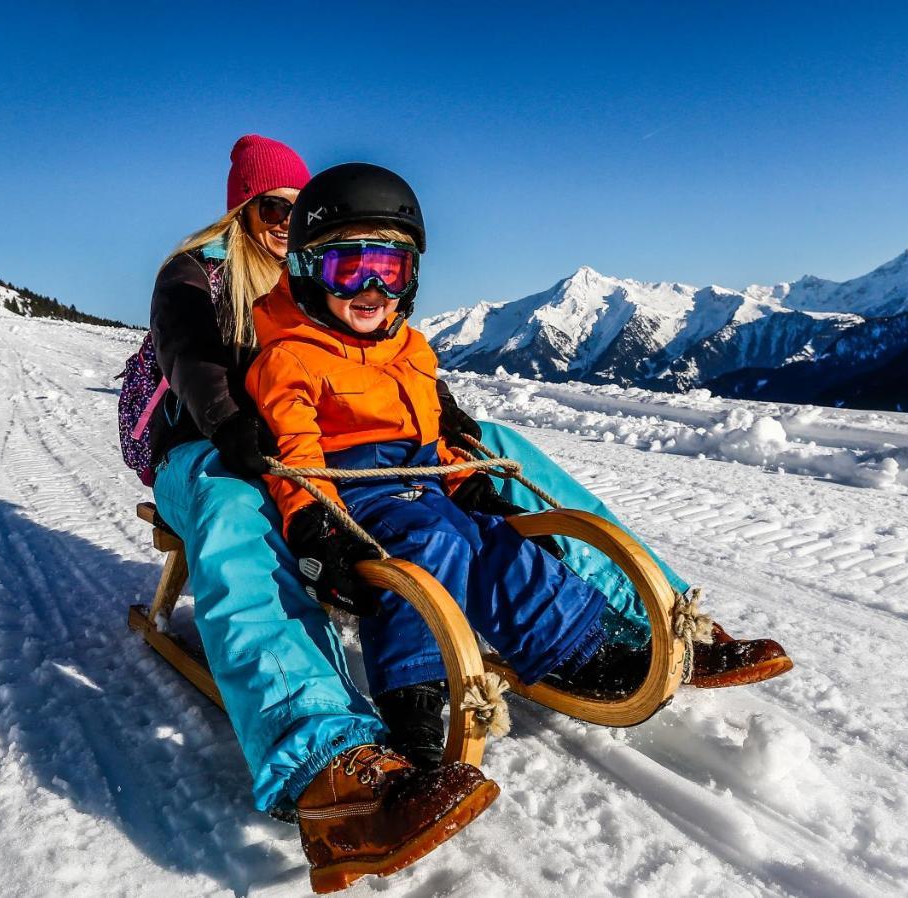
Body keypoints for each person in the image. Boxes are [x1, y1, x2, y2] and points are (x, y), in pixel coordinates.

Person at [148, 136, 497, 893]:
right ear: (245, 211)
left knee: (489, 444)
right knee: (234, 499)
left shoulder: (332, 272)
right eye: (275, 209)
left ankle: (634, 615)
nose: (288, 223)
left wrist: (450, 419)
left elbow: (393, 366)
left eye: (301, 212)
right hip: (204, 447)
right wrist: (232, 424)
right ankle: (326, 765)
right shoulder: (198, 276)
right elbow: (192, 360)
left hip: (301, 445)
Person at [246, 163, 658, 769]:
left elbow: (433, 438)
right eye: (347, 267)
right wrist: (314, 525)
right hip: (354, 493)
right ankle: (414, 696)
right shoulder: (289, 357)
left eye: (388, 269)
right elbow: (294, 455)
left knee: (499, 542)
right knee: (433, 545)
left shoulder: (409, 346)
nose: (370, 288)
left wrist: (470, 487)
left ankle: (579, 644)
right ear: (309, 270)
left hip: (422, 481)